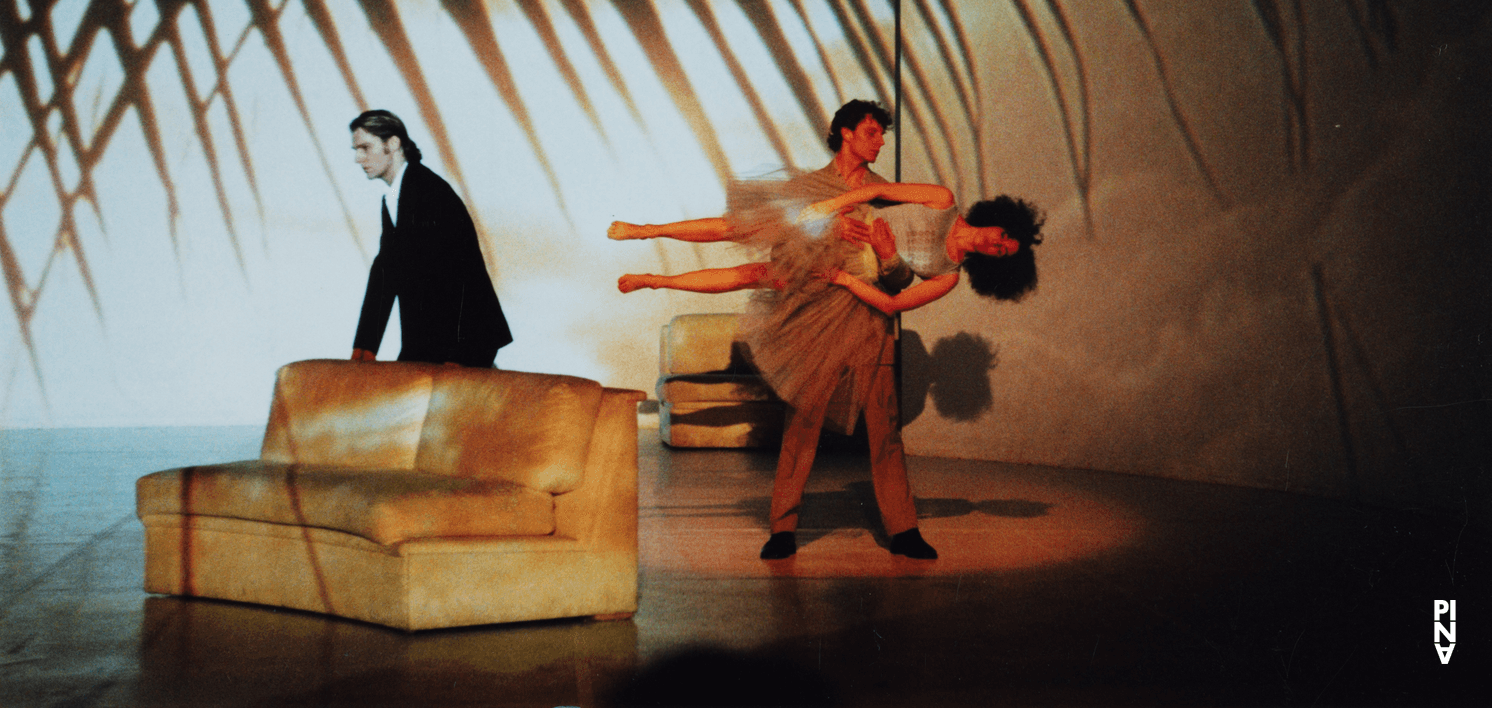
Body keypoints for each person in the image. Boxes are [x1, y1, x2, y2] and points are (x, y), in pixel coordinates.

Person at [616, 101, 1023, 561]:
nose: (882, 141)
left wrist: (886, 255)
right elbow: (756, 226)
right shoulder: (840, 189)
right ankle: (783, 528)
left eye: (1005, 248)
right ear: (845, 133)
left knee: (884, 428)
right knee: (802, 420)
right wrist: (831, 222)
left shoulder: (892, 200)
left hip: (868, 322)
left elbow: (896, 285)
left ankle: (904, 530)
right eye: (872, 132)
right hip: (819, 306)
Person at [610, 181, 1043, 315]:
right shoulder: (942, 199)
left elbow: (892, 304)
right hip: (836, 226)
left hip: (844, 267)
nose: (996, 243)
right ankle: (646, 230)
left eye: (1003, 251)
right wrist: (829, 209)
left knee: (750, 276)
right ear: (998, 221)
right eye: (1004, 236)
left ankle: (655, 281)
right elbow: (877, 188)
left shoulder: (946, 277)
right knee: (739, 227)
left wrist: (843, 279)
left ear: (995, 264)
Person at [349, 109, 512, 367]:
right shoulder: (393, 199)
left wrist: (458, 355)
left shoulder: (428, 190)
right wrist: (365, 347)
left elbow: (457, 271)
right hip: (431, 342)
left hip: (464, 340)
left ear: (392, 143)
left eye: (365, 148)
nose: (358, 158)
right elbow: (384, 272)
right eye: (356, 150)